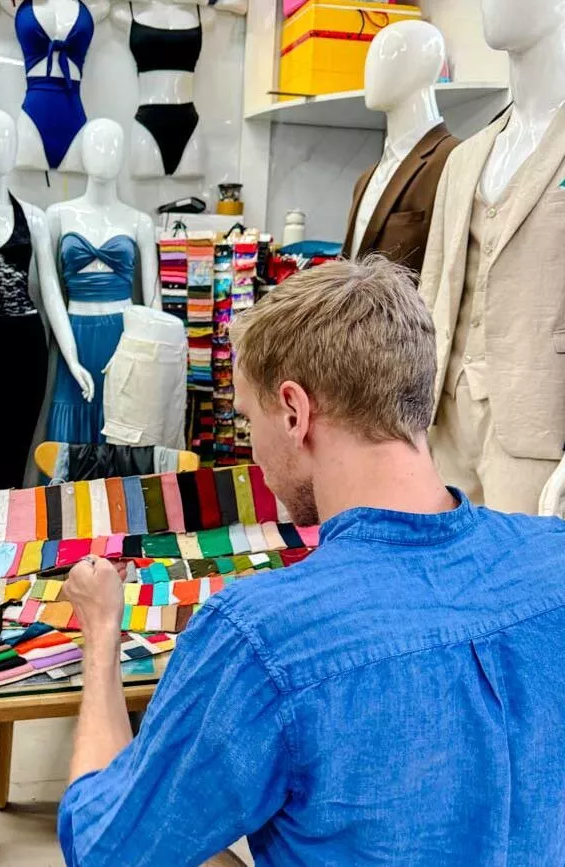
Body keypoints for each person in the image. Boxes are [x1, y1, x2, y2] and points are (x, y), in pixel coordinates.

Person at [55, 256, 565, 866]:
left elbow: (109, 851)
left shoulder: (259, 637)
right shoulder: (552, 556)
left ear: (295, 412)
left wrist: (101, 634)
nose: (254, 450)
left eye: (249, 419)